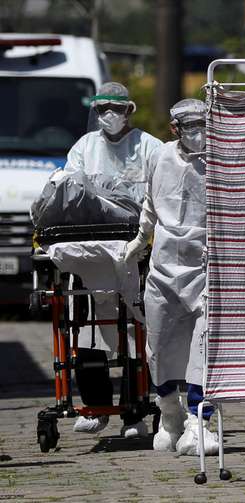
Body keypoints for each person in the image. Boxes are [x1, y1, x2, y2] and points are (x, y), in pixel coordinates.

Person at [59, 82, 162, 437]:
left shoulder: (149, 147)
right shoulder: (85, 148)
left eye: (115, 109)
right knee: (86, 331)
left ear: (129, 110)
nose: (109, 116)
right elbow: (66, 189)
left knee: (138, 332)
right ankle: (96, 406)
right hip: (91, 251)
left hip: (135, 250)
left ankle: (135, 411)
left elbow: (165, 190)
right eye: (102, 108)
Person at [124, 98, 218, 455]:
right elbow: (149, 202)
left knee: (203, 343)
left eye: (202, 126)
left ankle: (199, 421)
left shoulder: (220, 159)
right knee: (159, 346)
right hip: (163, 267)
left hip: (205, 266)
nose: (198, 134)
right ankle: (170, 416)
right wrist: (138, 240)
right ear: (175, 129)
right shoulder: (159, 156)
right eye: (190, 127)